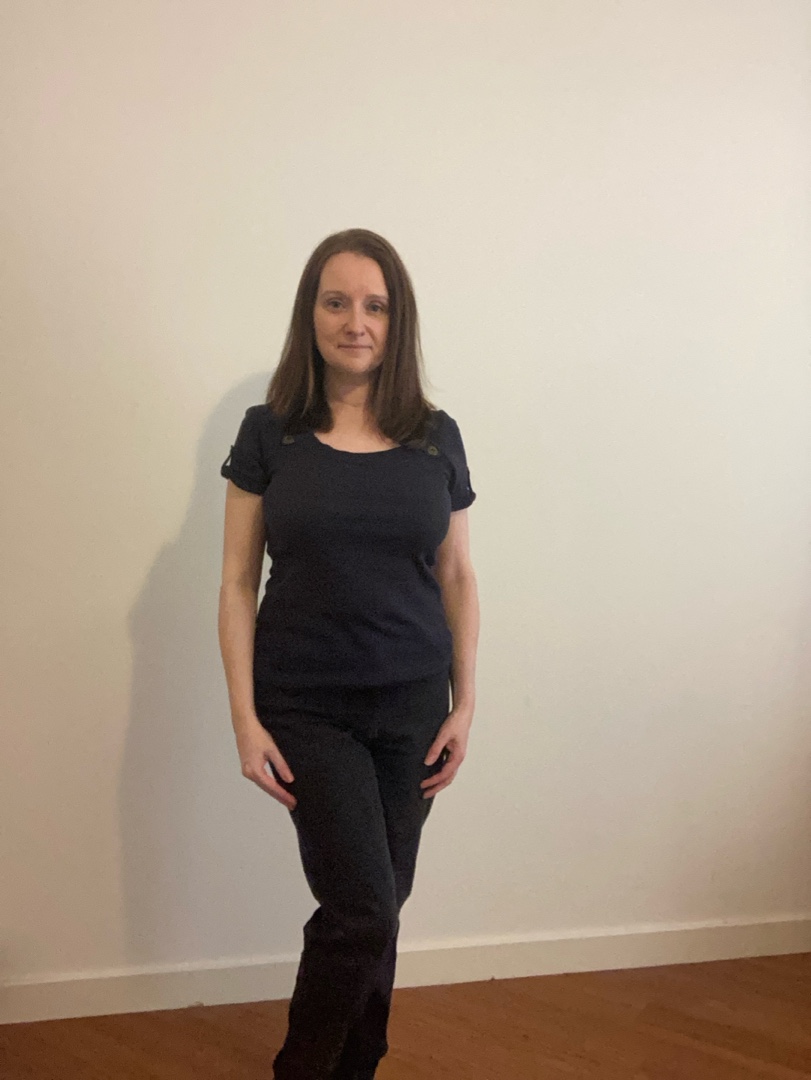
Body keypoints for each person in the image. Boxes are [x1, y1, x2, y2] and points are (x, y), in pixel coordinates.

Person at [217, 228, 479, 1080]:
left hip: (413, 707)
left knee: (380, 909)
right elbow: (236, 581)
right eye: (336, 302)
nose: (355, 322)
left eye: (375, 305)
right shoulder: (270, 434)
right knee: (362, 907)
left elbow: (457, 575)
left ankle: (355, 1067)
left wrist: (465, 704)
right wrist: (244, 718)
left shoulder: (435, 435)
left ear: (397, 321)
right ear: (311, 314)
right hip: (306, 705)